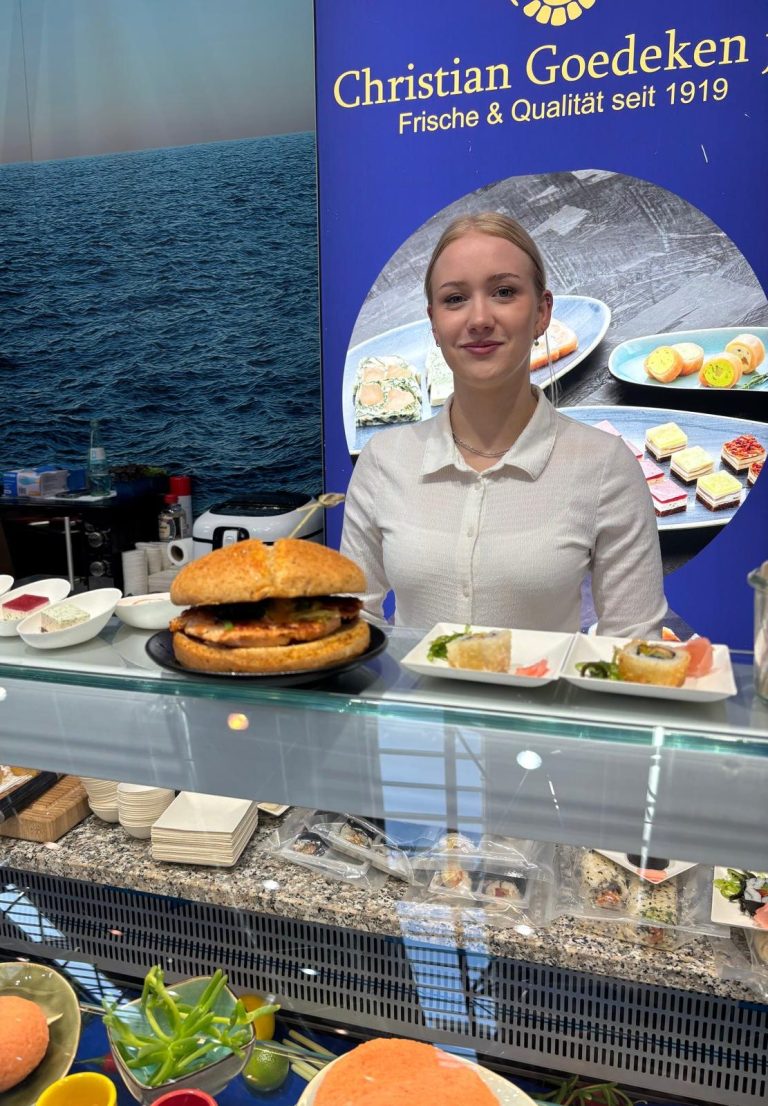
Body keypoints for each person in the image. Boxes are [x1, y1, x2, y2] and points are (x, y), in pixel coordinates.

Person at [340, 212, 667, 635]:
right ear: (435, 324)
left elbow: (633, 644)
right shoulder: (384, 461)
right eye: (455, 299)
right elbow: (349, 623)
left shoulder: (604, 466)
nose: (478, 319)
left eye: (504, 292)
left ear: (542, 313)